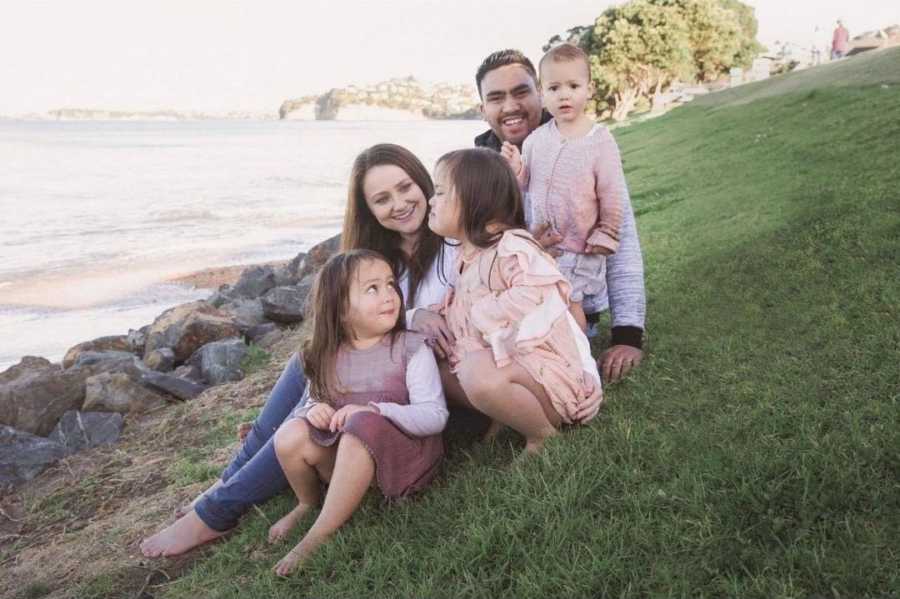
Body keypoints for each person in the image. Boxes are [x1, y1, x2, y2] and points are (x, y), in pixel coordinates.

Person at [139, 144, 457, 558]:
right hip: (375, 368)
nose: (399, 204)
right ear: (367, 209)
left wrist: (412, 318)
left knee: (304, 403)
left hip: (412, 377)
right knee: (307, 365)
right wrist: (413, 315)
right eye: (382, 199)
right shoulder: (379, 259)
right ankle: (228, 482)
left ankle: (218, 510)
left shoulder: (453, 238)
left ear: (424, 183)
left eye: (404, 187)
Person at [473, 48, 646, 384]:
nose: (510, 106)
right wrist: (524, 247)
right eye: (496, 98)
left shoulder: (587, 146)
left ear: (539, 93)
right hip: (509, 312)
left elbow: (621, 241)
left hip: (574, 308)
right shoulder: (474, 172)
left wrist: (628, 335)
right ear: (483, 110)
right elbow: (469, 258)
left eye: (520, 92)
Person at [270, 249, 447, 576]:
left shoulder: (410, 347)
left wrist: (375, 410)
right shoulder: (324, 355)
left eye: (391, 284)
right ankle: (308, 502)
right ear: (339, 309)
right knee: (290, 433)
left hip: (404, 458)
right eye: (372, 289)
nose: (389, 296)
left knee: (362, 421)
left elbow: (435, 415)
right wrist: (315, 410)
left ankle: (318, 535)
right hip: (348, 459)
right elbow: (312, 401)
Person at [428, 148, 602, 455]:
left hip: (551, 382)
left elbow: (539, 293)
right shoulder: (467, 255)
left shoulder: (511, 249)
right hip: (523, 374)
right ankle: (507, 415)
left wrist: (484, 313)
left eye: (440, 192)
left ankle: (542, 437)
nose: (431, 201)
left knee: (475, 369)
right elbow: (468, 302)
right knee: (447, 366)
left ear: (474, 200)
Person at [501, 43, 626, 333]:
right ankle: (558, 348)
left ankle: (581, 356)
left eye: (573, 85)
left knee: (572, 301)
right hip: (545, 244)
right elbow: (525, 187)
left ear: (589, 89)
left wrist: (606, 231)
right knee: (550, 299)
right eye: (554, 88)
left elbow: (612, 192)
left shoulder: (600, 141)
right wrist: (516, 168)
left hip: (581, 245)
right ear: (542, 94)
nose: (564, 94)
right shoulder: (535, 140)